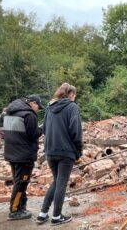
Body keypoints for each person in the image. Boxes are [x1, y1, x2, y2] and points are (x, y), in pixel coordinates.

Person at [36, 83, 83, 226]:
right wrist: (78, 150)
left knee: (57, 181)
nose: (74, 98)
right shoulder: (72, 107)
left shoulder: (50, 108)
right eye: (74, 95)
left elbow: (44, 130)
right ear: (70, 94)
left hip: (50, 151)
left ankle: (42, 214)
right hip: (65, 151)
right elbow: (76, 130)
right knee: (61, 182)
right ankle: (56, 216)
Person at [3, 95, 44, 220]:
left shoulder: (9, 113)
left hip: (12, 153)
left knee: (19, 182)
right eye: (38, 106)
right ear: (33, 103)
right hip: (24, 156)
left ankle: (21, 207)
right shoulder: (29, 115)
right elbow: (33, 134)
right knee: (21, 183)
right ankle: (15, 210)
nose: (37, 109)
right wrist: (42, 129)